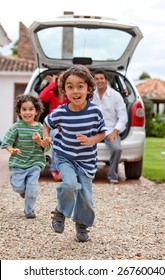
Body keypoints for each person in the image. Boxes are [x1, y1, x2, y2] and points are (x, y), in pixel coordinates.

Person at [42, 65, 107, 242]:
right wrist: (46, 137)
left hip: (86, 161)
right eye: (70, 87)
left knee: (85, 195)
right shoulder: (61, 112)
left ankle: (81, 225)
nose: (75, 91)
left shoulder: (94, 112)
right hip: (65, 157)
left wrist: (92, 140)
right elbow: (47, 124)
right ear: (64, 91)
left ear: (89, 89)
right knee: (70, 185)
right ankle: (60, 212)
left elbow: (102, 132)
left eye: (80, 86)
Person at [1, 94, 52, 219]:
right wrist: (12, 150)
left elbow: (47, 147)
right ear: (19, 111)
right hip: (19, 163)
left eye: (30, 109)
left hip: (35, 162)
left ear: (36, 111)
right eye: (24, 109)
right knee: (19, 187)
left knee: (32, 188)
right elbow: (6, 142)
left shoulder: (41, 128)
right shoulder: (16, 127)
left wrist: (39, 141)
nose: (27, 112)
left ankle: (29, 210)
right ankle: (22, 190)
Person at [93, 69, 128, 184]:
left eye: (101, 78)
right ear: (93, 80)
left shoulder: (116, 95)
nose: (99, 81)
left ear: (106, 80)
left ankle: (113, 174)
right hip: (94, 130)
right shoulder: (90, 95)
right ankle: (89, 173)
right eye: (96, 79)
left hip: (110, 130)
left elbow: (123, 116)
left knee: (117, 148)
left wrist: (115, 131)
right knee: (82, 146)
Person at [39, 73, 69, 181]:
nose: (61, 82)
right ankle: (55, 169)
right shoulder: (52, 94)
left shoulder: (69, 95)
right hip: (52, 126)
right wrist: (52, 84)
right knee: (57, 137)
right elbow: (42, 96)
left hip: (65, 126)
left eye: (63, 80)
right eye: (59, 80)